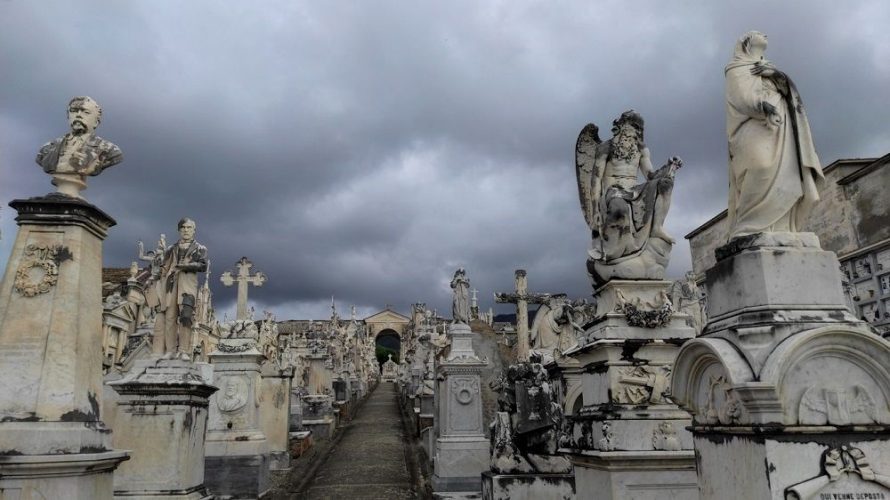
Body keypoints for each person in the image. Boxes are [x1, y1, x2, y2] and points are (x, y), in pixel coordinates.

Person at [725, 31, 824, 240]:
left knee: (788, 172)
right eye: (757, 33)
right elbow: (739, 98)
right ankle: (749, 227)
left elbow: (790, 94)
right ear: (745, 43)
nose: (764, 34)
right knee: (760, 166)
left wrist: (776, 75)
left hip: (781, 128)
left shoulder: (771, 68)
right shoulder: (736, 69)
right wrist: (763, 107)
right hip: (753, 126)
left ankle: (783, 229)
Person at [575, 111, 682, 284]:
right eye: (631, 126)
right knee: (620, 207)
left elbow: (650, 175)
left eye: (637, 128)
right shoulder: (606, 147)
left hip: (634, 191)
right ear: (621, 126)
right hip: (612, 192)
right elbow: (595, 180)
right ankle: (611, 252)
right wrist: (594, 209)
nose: (633, 131)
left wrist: (669, 167)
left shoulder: (641, 148)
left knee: (665, 184)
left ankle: (657, 227)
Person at [36, 96, 123, 197]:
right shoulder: (47, 149)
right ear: (68, 117)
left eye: (85, 112)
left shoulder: (108, 150)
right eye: (73, 111)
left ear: (96, 121)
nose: (78, 115)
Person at [153, 218, 208, 360]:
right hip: (171, 286)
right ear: (179, 230)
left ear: (194, 230)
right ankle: (170, 350)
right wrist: (155, 279)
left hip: (188, 287)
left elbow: (203, 266)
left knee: (186, 316)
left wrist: (184, 266)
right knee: (170, 318)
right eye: (183, 228)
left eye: (189, 228)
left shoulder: (200, 248)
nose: (186, 230)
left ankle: (183, 350)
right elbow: (164, 268)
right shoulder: (171, 249)